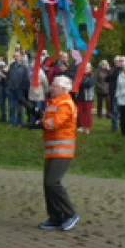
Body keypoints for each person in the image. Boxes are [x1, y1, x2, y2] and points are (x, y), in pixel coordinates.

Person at [38, 75, 79, 231]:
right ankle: (55, 217)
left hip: (62, 150)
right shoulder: (55, 103)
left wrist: (40, 122)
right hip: (53, 150)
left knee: (52, 182)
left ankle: (70, 213)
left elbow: (53, 123)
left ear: (63, 88)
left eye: (54, 85)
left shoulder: (66, 104)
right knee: (48, 184)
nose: (51, 87)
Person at [6, 52, 31, 127]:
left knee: (20, 107)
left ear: (21, 57)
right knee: (11, 106)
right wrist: (8, 85)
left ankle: (20, 122)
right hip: (11, 89)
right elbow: (9, 76)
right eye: (15, 56)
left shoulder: (24, 67)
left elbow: (27, 79)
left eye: (17, 56)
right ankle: (12, 122)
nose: (16, 57)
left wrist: (23, 89)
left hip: (20, 90)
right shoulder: (12, 65)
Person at [75, 63, 95, 135]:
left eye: (87, 68)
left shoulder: (92, 75)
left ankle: (88, 128)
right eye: (84, 68)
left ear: (90, 68)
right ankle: (83, 127)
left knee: (87, 113)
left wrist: (80, 83)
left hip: (88, 98)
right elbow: (76, 83)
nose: (85, 69)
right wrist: (80, 83)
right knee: (81, 113)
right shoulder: (80, 75)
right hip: (80, 97)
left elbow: (88, 84)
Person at [108, 56, 124, 132]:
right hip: (114, 91)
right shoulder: (114, 69)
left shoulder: (122, 70)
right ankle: (115, 126)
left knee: (119, 110)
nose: (118, 63)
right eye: (117, 61)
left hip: (121, 92)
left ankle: (120, 126)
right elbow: (107, 78)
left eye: (119, 61)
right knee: (115, 110)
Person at [0, 55, 9, 122]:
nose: (1, 67)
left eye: (2, 66)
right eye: (0, 66)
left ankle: (10, 117)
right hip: (0, 86)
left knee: (10, 103)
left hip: (7, 87)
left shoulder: (7, 70)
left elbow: (8, 77)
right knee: (2, 102)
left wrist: (4, 75)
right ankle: (3, 116)